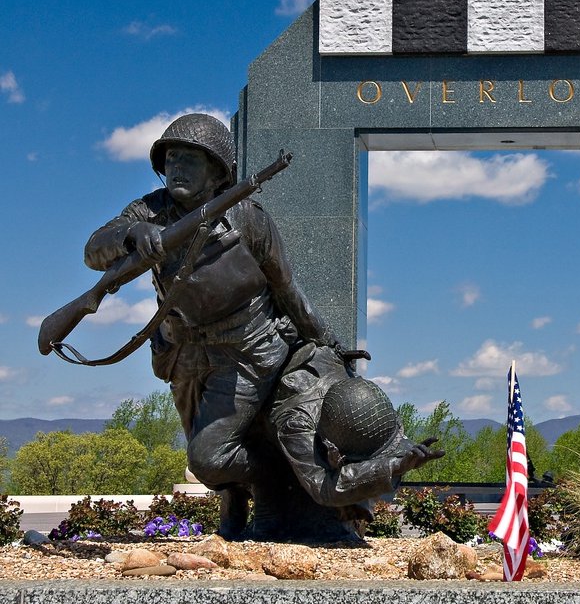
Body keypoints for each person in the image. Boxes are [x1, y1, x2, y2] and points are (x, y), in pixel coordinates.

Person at [84, 112, 341, 536]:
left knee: (207, 457)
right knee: (203, 450)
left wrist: (325, 340)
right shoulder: (148, 209)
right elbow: (94, 251)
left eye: (189, 159)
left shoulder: (249, 218)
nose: (176, 168)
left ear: (217, 171)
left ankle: (271, 477)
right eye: (171, 159)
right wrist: (132, 235)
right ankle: (234, 507)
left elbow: (287, 288)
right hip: (181, 352)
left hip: (246, 350)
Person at [254, 344, 443, 540]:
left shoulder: (348, 383)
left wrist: (404, 459)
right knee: (301, 522)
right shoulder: (295, 426)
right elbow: (323, 487)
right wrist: (393, 465)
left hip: (316, 421)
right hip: (259, 447)